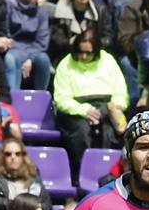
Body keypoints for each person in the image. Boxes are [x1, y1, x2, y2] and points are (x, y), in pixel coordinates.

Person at [51, 28, 128, 187]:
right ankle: (83, 173)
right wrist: (84, 110)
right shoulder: (66, 64)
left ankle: (110, 175)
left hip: (106, 105)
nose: (84, 57)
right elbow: (61, 98)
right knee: (81, 132)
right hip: (75, 109)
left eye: (89, 53)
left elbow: (121, 91)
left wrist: (113, 106)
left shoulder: (108, 61)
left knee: (110, 130)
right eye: (80, 52)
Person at [3, 0, 55, 92]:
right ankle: (12, 97)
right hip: (13, 48)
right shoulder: (9, 5)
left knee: (44, 59)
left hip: (34, 50)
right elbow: (6, 33)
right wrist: (24, 55)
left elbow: (42, 41)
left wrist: (29, 58)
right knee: (11, 59)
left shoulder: (41, 10)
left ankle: (40, 98)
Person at [49, 0, 113, 65]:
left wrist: (92, 46)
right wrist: (77, 47)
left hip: (93, 55)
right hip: (66, 56)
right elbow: (57, 38)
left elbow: (108, 37)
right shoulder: (61, 9)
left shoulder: (101, 10)